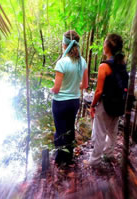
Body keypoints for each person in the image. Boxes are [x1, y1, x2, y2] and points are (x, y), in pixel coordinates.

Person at [88, 33, 127, 166]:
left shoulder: (104, 66)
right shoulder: (122, 63)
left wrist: (92, 105)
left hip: (106, 105)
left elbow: (99, 91)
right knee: (112, 132)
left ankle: (94, 161)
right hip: (118, 105)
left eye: (104, 43)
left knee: (100, 134)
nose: (103, 46)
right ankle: (109, 155)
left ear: (108, 47)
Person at [50, 30, 88, 166]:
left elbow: (57, 88)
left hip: (60, 103)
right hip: (74, 102)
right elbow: (85, 85)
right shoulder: (82, 62)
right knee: (70, 128)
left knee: (60, 131)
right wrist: (74, 85)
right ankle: (69, 156)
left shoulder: (62, 63)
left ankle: (61, 160)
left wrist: (51, 89)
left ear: (65, 45)